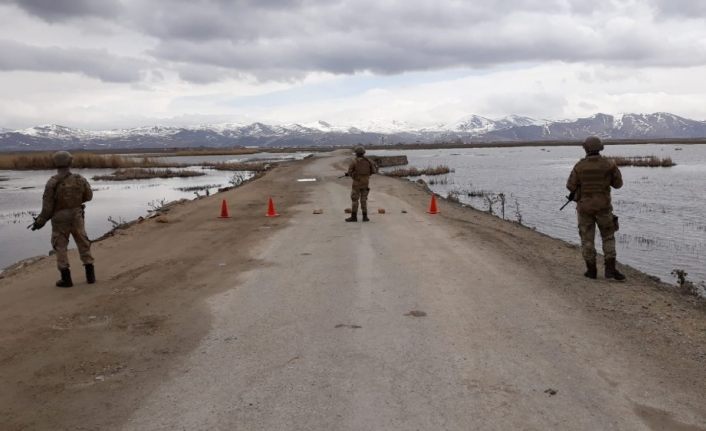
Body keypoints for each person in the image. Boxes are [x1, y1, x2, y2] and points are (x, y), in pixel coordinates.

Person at [31, 151, 95, 287]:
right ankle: (90, 275)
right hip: (77, 215)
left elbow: (47, 208)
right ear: (70, 162)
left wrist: (39, 222)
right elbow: (88, 196)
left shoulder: (52, 182)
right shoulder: (79, 179)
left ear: (55, 163)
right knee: (83, 242)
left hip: (59, 218)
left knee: (60, 246)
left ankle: (66, 278)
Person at [566, 136, 625, 281]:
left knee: (587, 239)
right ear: (600, 147)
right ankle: (610, 271)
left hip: (584, 208)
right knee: (608, 237)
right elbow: (618, 184)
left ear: (585, 148)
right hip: (604, 207)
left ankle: (591, 271)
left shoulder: (579, 166)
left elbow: (570, 186)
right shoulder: (609, 164)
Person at [345, 146, 378, 222]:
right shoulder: (369, 161)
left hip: (356, 183)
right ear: (364, 153)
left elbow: (350, 172)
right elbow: (374, 171)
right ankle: (365, 217)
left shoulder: (354, 161)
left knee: (355, 200)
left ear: (356, 153)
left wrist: (354, 176)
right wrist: (366, 176)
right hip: (365, 183)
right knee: (364, 200)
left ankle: (354, 217)